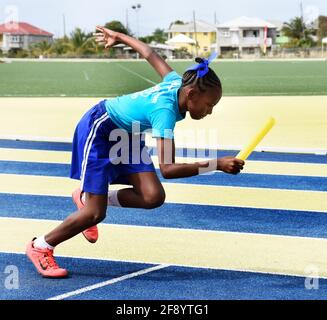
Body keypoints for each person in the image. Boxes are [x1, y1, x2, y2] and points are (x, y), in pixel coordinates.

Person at [26, 26, 245, 278]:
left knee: (152, 196)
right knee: (94, 214)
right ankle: (41, 246)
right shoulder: (165, 113)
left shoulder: (176, 82)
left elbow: (150, 53)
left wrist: (119, 37)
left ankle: (89, 197)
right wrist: (216, 164)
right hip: (100, 129)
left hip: (128, 134)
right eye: (209, 105)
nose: (210, 111)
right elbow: (169, 169)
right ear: (192, 94)